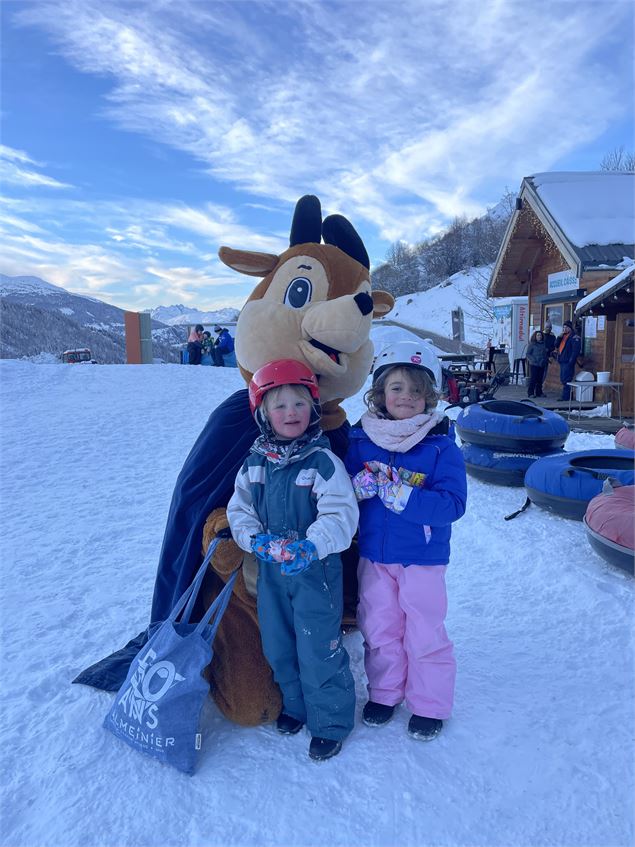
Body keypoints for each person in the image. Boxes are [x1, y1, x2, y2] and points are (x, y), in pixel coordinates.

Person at [227, 359, 358, 761]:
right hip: (271, 573)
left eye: (300, 404)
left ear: (313, 409)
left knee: (318, 647)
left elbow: (341, 514)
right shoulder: (254, 464)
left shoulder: (322, 463)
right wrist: (254, 539)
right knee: (278, 643)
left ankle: (330, 722)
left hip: (315, 572)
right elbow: (239, 510)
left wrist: (312, 545)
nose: (291, 413)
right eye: (280, 406)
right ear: (263, 413)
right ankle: (295, 705)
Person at [345, 341, 467, 741]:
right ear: (380, 392)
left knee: (424, 630)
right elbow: (340, 490)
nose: (406, 397)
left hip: (422, 558)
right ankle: (384, 693)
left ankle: (429, 703)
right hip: (374, 556)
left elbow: (452, 504)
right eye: (396, 387)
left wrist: (402, 496)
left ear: (429, 396)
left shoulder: (440, 446)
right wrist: (358, 487)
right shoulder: (361, 440)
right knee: (379, 626)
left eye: (417, 390)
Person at [555, 320, 581, 400]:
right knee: (563, 378)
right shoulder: (563, 336)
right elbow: (556, 345)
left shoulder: (574, 337)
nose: (564, 329)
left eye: (566, 327)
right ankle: (566, 396)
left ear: (570, 328)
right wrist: (559, 337)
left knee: (567, 379)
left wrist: (571, 361)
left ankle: (566, 397)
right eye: (564, 327)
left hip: (568, 361)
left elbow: (575, 351)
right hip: (562, 360)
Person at [525, 330, 549, 398]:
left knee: (540, 379)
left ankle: (539, 392)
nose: (539, 336)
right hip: (534, 364)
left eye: (540, 335)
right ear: (535, 336)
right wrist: (533, 360)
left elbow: (545, 353)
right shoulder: (532, 344)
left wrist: (545, 359)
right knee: (533, 378)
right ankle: (530, 393)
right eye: (538, 335)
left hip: (542, 364)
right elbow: (528, 354)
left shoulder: (543, 344)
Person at [542, 321, 557, 388]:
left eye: (550, 327)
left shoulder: (553, 336)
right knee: (539, 373)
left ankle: (540, 386)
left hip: (548, 357)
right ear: (544, 327)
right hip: (540, 357)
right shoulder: (541, 335)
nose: (549, 328)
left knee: (544, 373)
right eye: (547, 327)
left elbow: (554, 346)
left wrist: (550, 351)